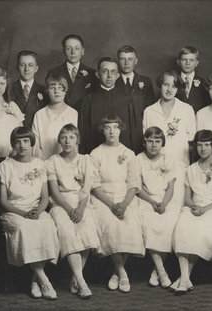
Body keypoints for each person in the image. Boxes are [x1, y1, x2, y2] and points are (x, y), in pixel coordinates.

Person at [0, 127, 59, 300]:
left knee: (48, 226)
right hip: (14, 211)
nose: (22, 145)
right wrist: (23, 213)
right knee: (25, 229)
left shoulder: (39, 164)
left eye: (26, 141)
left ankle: (34, 280)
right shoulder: (5, 166)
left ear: (32, 143)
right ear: (13, 144)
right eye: (18, 141)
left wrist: (38, 211)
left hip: (36, 210)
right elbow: (3, 201)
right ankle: (44, 279)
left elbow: (45, 197)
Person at [172, 130, 212, 295]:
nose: (203, 148)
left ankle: (183, 278)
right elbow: (187, 198)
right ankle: (185, 278)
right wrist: (193, 208)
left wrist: (204, 209)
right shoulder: (191, 169)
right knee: (183, 226)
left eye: (207, 144)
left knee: (201, 229)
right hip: (195, 208)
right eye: (199, 144)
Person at [89, 115, 145, 293]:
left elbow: (134, 184)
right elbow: (94, 185)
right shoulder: (95, 153)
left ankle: (116, 273)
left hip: (125, 197)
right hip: (103, 198)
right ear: (102, 130)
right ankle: (123, 273)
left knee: (131, 223)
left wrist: (123, 204)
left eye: (115, 127)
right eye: (108, 127)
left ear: (121, 129)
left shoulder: (129, 154)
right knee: (111, 224)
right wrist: (112, 205)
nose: (112, 131)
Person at [46, 124, 99, 299]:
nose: (67, 140)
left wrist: (81, 209)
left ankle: (75, 279)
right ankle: (81, 283)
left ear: (78, 140)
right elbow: (54, 192)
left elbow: (86, 188)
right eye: (64, 137)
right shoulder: (52, 161)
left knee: (86, 231)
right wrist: (70, 210)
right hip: (61, 205)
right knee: (68, 233)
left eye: (71, 137)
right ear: (59, 140)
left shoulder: (85, 160)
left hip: (82, 203)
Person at [143, 71, 196, 205]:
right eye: (166, 84)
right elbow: (147, 141)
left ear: (177, 89)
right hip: (155, 168)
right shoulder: (149, 111)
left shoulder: (186, 109)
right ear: (160, 86)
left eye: (173, 86)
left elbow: (191, 140)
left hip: (179, 166)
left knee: (176, 207)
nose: (169, 89)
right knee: (156, 207)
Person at [136, 127, 180, 289]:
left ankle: (156, 271)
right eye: (150, 141)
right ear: (144, 142)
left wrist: (164, 204)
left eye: (157, 141)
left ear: (162, 143)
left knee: (170, 222)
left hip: (165, 200)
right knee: (148, 222)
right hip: (146, 200)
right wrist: (153, 203)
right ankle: (161, 271)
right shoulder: (138, 159)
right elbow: (137, 188)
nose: (153, 145)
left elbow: (170, 187)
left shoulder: (168, 159)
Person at [79, 57, 141, 154]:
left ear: (117, 75)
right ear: (98, 74)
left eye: (113, 72)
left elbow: (135, 134)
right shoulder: (88, 101)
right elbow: (83, 134)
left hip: (122, 155)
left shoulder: (128, 100)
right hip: (95, 155)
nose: (109, 76)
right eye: (105, 71)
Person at [116, 45, 155, 152]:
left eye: (130, 59)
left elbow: (151, 109)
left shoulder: (145, 81)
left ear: (136, 61)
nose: (126, 63)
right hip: (120, 133)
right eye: (122, 59)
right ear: (118, 61)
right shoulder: (113, 81)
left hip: (140, 131)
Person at [32, 74, 78, 160]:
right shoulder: (39, 115)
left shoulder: (74, 114)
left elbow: (77, 144)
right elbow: (35, 146)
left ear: (65, 91)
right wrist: (44, 164)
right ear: (47, 91)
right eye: (52, 88)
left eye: (60, 88)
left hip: (70, 164)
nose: (56, 91)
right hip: (45, 164)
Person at [47, 34, 96, 110]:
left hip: (85, 116)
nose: (73, 52)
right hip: (62, 116)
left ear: (82, 51)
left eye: (77, 48)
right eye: (68, 48)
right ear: (63, 51)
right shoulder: (53, 73)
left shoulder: (92, 73)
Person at [8, 50, 47, 128]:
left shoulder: (44, 91)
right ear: (17, 67)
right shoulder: (9, 89)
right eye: (22, 65)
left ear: (36, 68)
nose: (26, 69)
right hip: (15, 134)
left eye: (30, 65)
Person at [175, 46, 210, 113]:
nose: (188, 63)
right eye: (184, 60)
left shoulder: (204, 83)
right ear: (178, 62)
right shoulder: (173, 82)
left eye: (191, 60)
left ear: (197, 63)